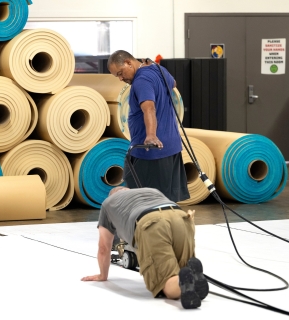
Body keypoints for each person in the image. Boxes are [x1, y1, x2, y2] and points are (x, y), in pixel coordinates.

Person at [81, 186, 208, 309]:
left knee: (166, 283)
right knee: (183, 267)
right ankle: (194, 278)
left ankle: (182, 283)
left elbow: (103, 247)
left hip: (151, 222)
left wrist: (102, 275)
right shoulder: (151, 190)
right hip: (181, 217)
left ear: (113, 195)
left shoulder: (108, 203)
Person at [107, 50, 189, 202]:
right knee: (165, 199)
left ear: (129, 63)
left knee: (146, 201)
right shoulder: (157, 69)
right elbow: (173, 84)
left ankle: (152, 225)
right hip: (169, 147)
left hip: (151, 151)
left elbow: (149, 108)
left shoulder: (141, 81)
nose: (120, 78)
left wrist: (151, 135)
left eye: (120, 73)